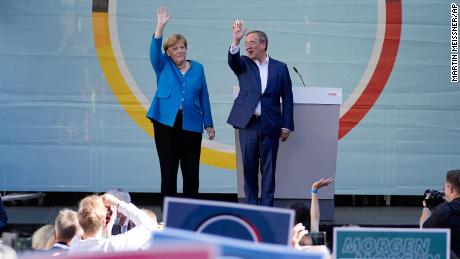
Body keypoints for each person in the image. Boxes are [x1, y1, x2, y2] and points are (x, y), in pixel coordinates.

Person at [147, 6, 215, 203]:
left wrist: (208, 124)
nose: (180, 51)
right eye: (175, 48)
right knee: (168, 171)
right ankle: (169, 217)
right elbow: (154, 50)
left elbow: (204, 97)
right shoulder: (162, 64)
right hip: (165, 123)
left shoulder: (198, 68)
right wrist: (160, 26)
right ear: (168, 52)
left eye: (182, 47)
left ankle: (190, 214)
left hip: (192, 123)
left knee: (191, 172)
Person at [228, 19, 294, 206]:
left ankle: (267, 210)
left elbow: (287, 98)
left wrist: (286, 125)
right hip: (248, 124)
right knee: (248, 168)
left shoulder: (280, 68)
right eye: (246, 43)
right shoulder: (243, 63)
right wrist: (236, 41)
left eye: (252, 43)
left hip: (271, 124)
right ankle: (251, 209)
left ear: (263, 44)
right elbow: (232, 60)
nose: (248, 47)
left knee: (268, 169)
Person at [69, 194, 157, 254]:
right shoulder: (114, 245)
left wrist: (107, 233)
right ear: (104, 220)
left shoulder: (73, 247)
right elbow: (150, 225)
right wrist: (117, 203)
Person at [419, 170, 460, 257]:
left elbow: (423, 230)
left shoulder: (445, 209)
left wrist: (427, 208)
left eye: (445, 187)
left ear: (451, 189)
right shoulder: (447, 208)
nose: (444, 190)